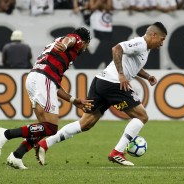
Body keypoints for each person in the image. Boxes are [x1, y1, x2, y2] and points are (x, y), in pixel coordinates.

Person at [35, 22, 167, 166]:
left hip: (101, 81)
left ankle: (45, 144)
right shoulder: (140, 43)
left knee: (85, 123)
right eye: (162, 39)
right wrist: (121, 75)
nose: (161, 43)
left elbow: (133, 65)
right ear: (153, 35)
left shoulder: (145, 49)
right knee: (142, 116)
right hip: (114, 83)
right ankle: (118, 152)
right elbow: (117, 49)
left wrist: (147, 76)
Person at [0, 27, 93, 169]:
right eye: (86, 44)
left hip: (36, 77)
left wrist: (73, 100)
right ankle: (6, 134)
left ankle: (16, 156)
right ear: (84, 42)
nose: (85, 48)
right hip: (42, 79)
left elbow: (55, 86)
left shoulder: (56, 49)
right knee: (51, 127)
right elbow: (70, 39)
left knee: (42, 127)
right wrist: (66, 44)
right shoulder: (74, 40)